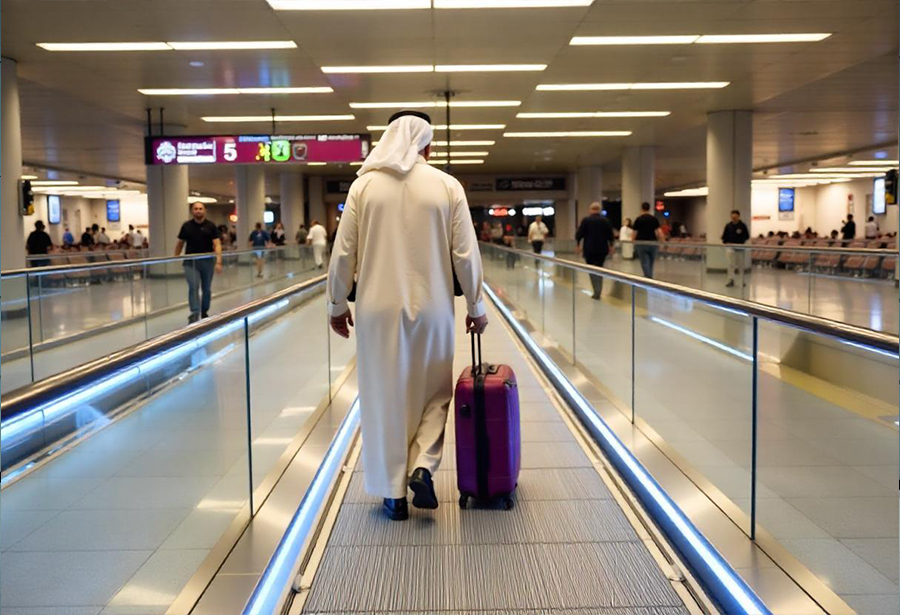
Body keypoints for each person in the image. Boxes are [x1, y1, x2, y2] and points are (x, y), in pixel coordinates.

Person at [326, 110, 487, 522]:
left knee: (384, 397)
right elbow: (466, 253)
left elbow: (343, 253)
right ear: (425, 144)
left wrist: (336, 303)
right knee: (435, 392)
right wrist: (476, 306)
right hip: (433, 307)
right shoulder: (447, 186)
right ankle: (423, 467)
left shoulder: (364, 187)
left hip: (376, 311)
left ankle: (393, 494)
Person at [174, 202, 223, 323]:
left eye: (200, 208)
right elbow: (180, 243)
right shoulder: (186, 226)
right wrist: (175, 257)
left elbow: (217, 244)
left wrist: (219, 261)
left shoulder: (211, 226)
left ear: (205, 211)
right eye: (196, 209)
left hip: (207, 261)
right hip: (191, 262)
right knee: (193, 286)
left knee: (206, 288)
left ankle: (204, 311)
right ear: (192, 211)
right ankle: (195, 312)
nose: (198, 211)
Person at [575, 202, 616, 299]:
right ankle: (599, 290)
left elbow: (579, 234)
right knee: (599, 269)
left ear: (590, 210)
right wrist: (611, 246)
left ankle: (595, 290)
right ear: (599, 210)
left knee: (591, 270)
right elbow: (610, 235)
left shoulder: (586, 221)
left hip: (589, 249)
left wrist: (578, 245)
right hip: (602, 249)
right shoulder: (605, 221)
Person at [632, 202, 664, 278]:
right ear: (649, 209)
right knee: (651, 262)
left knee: (644, 262)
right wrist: (662, 241)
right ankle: (649, 277)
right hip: (653, 243)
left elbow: (634, 232)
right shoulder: (654, 219)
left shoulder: (638, 219)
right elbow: (659, 232)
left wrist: (632, 242)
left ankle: (648, 278)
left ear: (642, 209)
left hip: (641, 243)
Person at [722, 209, 750, 288]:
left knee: (740, 265)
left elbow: (746, 236)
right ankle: (731, 280)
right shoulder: (728, 226)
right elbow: (724, 237)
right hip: (730, 247)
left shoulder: (742, 225)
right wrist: (726, 242)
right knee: (731, 265)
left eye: (735, 217)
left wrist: (741, 241)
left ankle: (742, 280)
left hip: (740, 247)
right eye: (732, 217)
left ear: (738, 217)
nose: (734, 219)